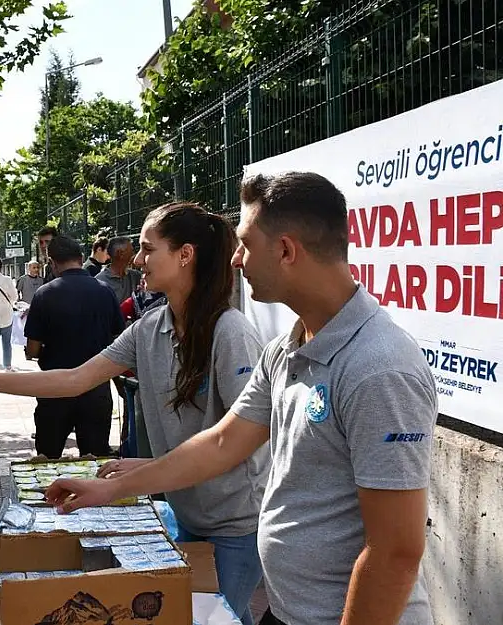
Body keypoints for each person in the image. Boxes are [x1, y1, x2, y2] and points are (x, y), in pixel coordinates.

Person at [37, 173, 437, 625]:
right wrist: (111, 488)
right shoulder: (286, 350)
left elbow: (395, 552)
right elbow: (222, 443)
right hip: (289, 611)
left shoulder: (378, 368)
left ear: (285, 251)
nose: (236, 259)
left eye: (245, 243)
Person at [0, 204, 268, 621]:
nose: (137, 260)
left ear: (185, 255)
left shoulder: (231, 333)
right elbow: (73, 379)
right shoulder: (150, 327)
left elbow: (235, 440)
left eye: (146, 248)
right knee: (210, 615)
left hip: (235, 522)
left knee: (218, 617)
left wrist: (128, 482)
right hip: (188, 510)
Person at [3, 235, 124, 458]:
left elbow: (32, 349)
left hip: (54, 389)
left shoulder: (45, 294)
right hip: (96, 388)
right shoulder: (105, 291)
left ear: (52, 262)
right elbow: (119, 340)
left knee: (48, 460)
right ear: (80, 257)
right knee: (96, 460)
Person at [95, 236, 142, 304]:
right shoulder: (99, 282)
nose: (134, 254)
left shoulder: (136, 276)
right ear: (120, 253)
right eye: (132, 251)